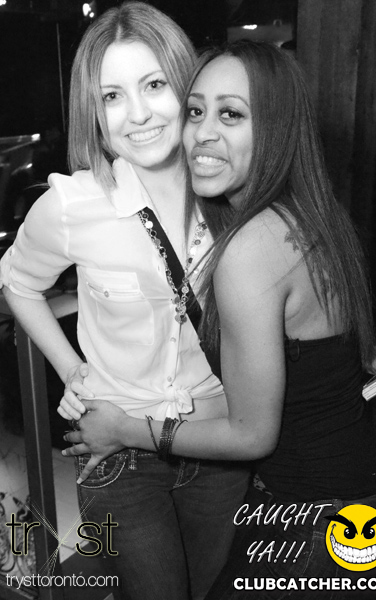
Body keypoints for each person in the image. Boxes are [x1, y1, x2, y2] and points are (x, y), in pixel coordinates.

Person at [60, 40, 376, 598]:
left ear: (277, 129)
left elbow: (251, 434)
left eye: (232, 115)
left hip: (321, 517)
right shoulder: (313, 214)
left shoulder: (250, 248)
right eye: (196, 111)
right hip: (371, 489)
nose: (203, 133)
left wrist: (123, 430)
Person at [0, 5, 251, 600]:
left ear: (187, 86)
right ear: (93, 111)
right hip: (119, 452)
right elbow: (17, 281)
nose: (137, 114)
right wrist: (72, 369)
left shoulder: (234, 191)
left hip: (219, 443)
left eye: (154, 85)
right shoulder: (73, 206)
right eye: (112, 96)